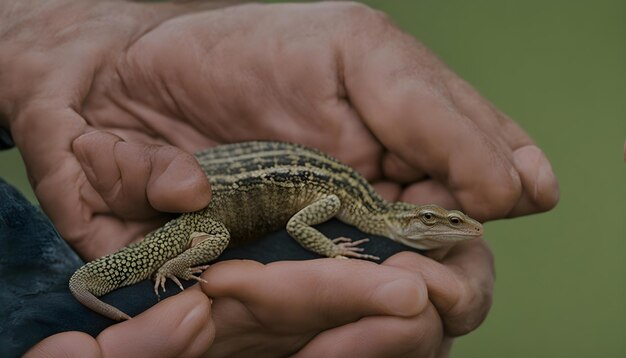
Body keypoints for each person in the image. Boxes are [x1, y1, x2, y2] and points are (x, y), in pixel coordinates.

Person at [0, 1, 559, 356]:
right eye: (446, 222)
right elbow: (299, 220)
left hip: (211, 190)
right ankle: (168, 268)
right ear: (415, 219)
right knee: (207, 244)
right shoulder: (344, 200)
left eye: (455, 222)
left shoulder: (353, 195)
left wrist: (41, 30)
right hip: (204, 210)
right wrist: (333, 252)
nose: (461, 226)